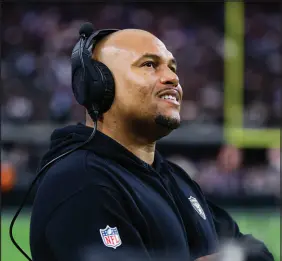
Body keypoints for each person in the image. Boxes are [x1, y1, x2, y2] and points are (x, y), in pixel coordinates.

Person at [30, 27, 274, 261]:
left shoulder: (174, 179)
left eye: (172, 67)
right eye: (149, 65)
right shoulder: (79, 180)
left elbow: (256, 251)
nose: (172, 78)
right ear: (98, 85)